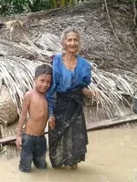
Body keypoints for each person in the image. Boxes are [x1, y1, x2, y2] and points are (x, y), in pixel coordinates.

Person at [46, 27, 96, 169]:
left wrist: (88, 92)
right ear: (64, 43)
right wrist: (50, 113)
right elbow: (51, 89)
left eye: (75, 40)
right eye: (69, 40)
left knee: (75, 141)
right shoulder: (55, 61)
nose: (73, 43)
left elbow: (81, 87)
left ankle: (74, 170)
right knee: (57, 142)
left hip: (75, 107)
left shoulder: (84, 65)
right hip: (59, 105)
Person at [16, 64, 52, 172]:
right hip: (28, 138)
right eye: (42, 80)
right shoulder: (29, 95)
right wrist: (18, 135)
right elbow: (23, 115)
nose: (45, 84)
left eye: (48, 82)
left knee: (42, 167)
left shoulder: (49, 96)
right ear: (35, 79)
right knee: (25, 168)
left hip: (41, 138)